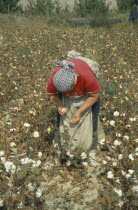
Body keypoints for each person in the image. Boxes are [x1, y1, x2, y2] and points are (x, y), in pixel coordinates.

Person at [46, 58, 104, 166]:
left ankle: (92, 151)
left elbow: (94, 95)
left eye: (69, 90)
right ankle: (59, 150)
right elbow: (51, 94)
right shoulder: (55, 78)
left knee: (93, 120)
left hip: (88, 89)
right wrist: (60, 105)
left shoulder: (86, 77)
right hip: (66, 84)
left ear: (75, 80)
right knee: (60, 121)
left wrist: (80, 111)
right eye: (64, 92)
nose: (69, 94)